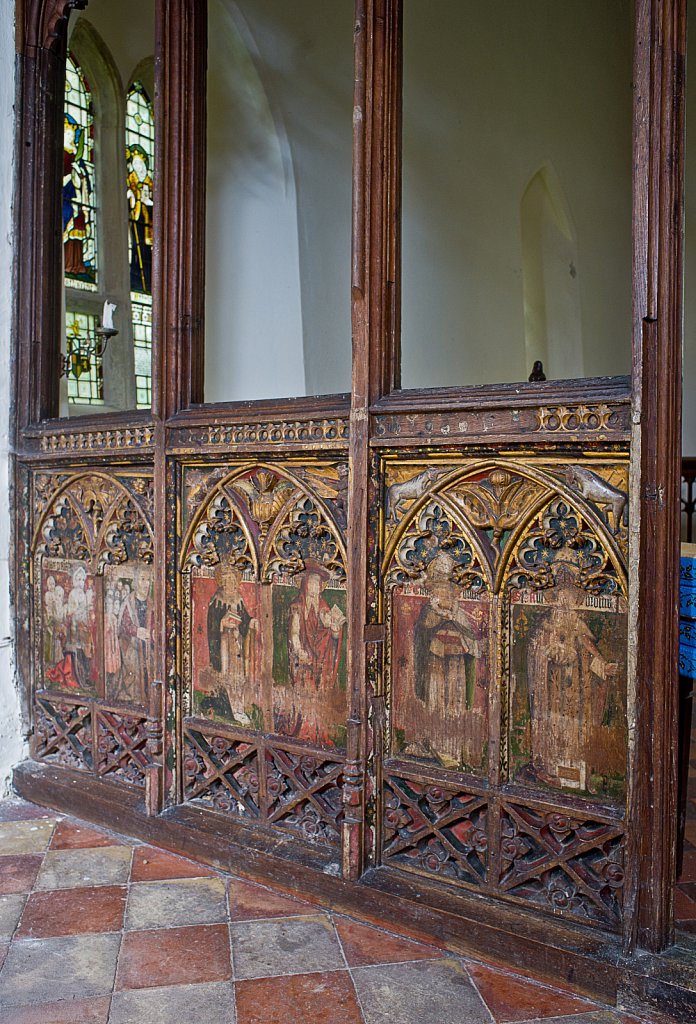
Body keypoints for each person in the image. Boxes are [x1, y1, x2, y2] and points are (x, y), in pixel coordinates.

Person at [526, 581, 618, 788]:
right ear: (554, 602)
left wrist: (604, 668)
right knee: (555, 726)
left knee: (576, 730)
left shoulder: (580, 629)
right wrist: (548, 652)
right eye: (561, 599)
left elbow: (590, 654)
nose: (565, 604)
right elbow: (535, 655)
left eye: (570, 600)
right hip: (552, 694)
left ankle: (576, 773)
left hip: (578, 694)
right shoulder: (545, 630)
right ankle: (552, 769)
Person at [116, 569, 154, 703]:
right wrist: (137, 631)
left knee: (148, 671)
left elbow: (156, 624)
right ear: (136, 582)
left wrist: (152, 633)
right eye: (142, 579)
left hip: (148, 647)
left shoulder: (151, 603)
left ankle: (149, 699)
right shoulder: (129, 603)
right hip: (132, 647)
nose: (146, 584)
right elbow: (124, 625)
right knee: (134, 675)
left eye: (148, 580)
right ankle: (135, 700)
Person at [126, 144, 154, 294]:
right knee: (138, 251)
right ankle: (137, 280)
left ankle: (149, 282)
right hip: (137, 220)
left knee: (149, 254)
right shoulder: (130, 181)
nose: (139, 166)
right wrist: (131, 196)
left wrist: (150, 203)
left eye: (141, 163)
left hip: (150, 224)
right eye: (136, 163)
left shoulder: (152, 183)